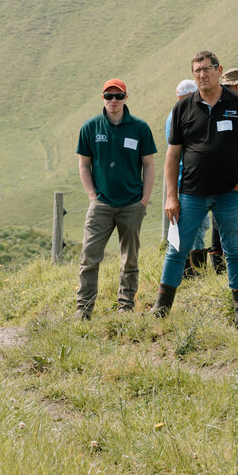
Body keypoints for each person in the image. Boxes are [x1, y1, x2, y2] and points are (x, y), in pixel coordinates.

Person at [154, 51, 238, 330]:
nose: (202, 75)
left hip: (230, 193)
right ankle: (161, 309)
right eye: (197, 71)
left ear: (219, 70)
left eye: (207, 69)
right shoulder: (183, 108)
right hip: (191, 194)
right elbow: (171, 156)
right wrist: (171, 195)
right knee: (176, 249)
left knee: (235, 250)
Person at [74, 79, 157, 319]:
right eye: (109, 96)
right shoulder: (90, 127)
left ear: (125, 98)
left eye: (118, 96)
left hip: (132, 204)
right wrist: (92, 196)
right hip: (101, 204)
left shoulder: (140, 128)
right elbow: (83, 164)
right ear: (102, 98)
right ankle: (84, 310)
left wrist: (144, 201)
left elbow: (149, 165)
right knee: (89, 257)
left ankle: (125, 307)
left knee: (129, 259)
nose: (113, 101)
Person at [204, 68, 238, 275]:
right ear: (236, 86)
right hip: (236, 175)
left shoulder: (230, 107)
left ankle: (222, 265)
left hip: (230, 173)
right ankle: (230, 265)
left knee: (223, 219)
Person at [166, 79, 209, 277]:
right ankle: (191, 269)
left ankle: (193, 268)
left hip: (195, 177)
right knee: (192, 226)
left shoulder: (183, 113)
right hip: (187, 178)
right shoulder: (178, 116)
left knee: (199, 225)